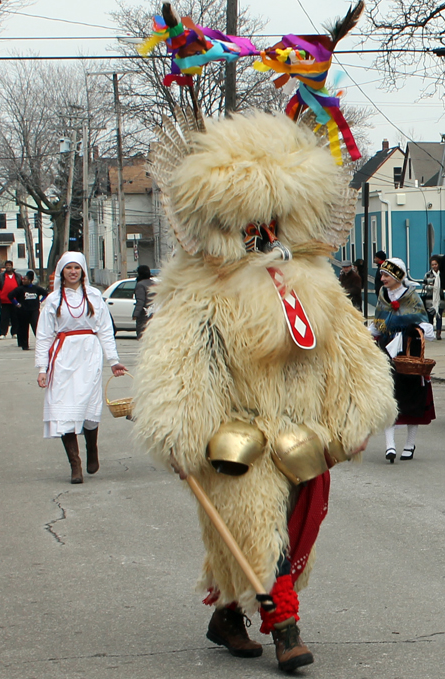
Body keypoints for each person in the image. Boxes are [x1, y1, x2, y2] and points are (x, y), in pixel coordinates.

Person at [133, 109, 397, 672]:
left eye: (272, 218)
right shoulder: (200, 287)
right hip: (237, 430)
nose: (263, 233)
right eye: (250, 220)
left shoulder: (318, 283)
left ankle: (226, 615)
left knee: (292, 526)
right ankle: (284, 629)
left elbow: (349, 352)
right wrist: (177, 426)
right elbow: (181, 360)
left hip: (302, 429)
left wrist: (358, 410)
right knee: (257, 526)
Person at [35, 251, 128, 484]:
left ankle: (92, 447)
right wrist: (42, 369)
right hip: (63, 355)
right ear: (61, 272)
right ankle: (74, 464)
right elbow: (44, 336)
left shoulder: (95, 296)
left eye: (77, 268)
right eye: (69, 268)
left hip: (89, 354)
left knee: (88, 405)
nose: (73, 272)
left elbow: (105, 329)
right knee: (64, 407)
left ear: (83, 271)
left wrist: (113, 360)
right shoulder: (52, 300)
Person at [370, 258, 435, 463]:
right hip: (387, 351)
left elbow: (425, 325)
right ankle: (390, 446)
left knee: (412, 398)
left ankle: (410, 444)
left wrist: (420, 327)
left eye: (385, 275)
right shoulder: (382, 295)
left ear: (397, 276)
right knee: (389, 397)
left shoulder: (412, 297)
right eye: (382, 275)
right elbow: (378, 323)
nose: (382, 279)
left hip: (410, 351)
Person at [8, 271, 48, 350]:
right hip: (23, 312)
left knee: (37, 328)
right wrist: (17, 304)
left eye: (25, 279)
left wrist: (40, 301)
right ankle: (24, 345)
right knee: (23, 329)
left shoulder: (36, 288)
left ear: (30, 280)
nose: (23, 281)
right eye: (23, 279)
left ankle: (41, 344)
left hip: (34, 311)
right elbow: (10, 296)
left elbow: (45, 294)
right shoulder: (20, 289)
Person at [0, 260, 22, 339]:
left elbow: (21, 287)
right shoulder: (0, 277)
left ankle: (14, 333)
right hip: (4, 301)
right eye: (7, 265)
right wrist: (0, 295)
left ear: (12, 266)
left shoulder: (18, 276)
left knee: (15, 318)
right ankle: (2, 333)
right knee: (4, 318)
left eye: (9, 265)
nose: (8, 266)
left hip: (15, 301)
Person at [422, 255, 444, 340]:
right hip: (430, 299)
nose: (434, 266)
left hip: (440, 299)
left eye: (436, 264)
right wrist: (430, 287)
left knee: (439, 316)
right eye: (432, 264)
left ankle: (438, 333)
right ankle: (430, 333)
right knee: (430, 317)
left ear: (438, 264)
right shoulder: (427, 274)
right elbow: (423, 285)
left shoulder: (442, 275)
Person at [132, 265, 154, 339]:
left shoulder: (140, 285)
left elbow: (140, 301)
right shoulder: (154, 283)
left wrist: (135, 314)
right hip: (155, 312)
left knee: (143, 335)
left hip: (145, 313)